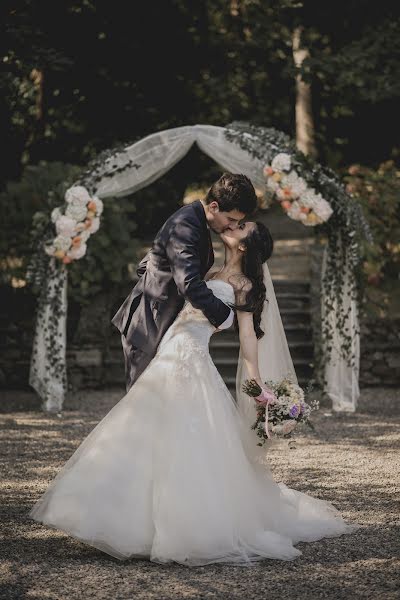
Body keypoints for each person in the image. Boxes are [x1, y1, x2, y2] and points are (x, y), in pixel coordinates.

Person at [28, 216, 357, 567]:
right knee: (145, 426)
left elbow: (248, 335)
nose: (233, 226)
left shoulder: (244, 284)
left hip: (191, 356)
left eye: (241, 227)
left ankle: (179, 526)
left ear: (245, 245)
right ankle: (121, 516)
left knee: (183, 436)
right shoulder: (212, 269)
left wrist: (257, 381)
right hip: (169, 346)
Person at [111, 172, 258, 392]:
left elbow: (147, 262)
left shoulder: (195, 220)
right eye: (231, 219)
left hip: (163, 321)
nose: (231, 226)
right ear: (215, 206)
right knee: (143, 401)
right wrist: (224, 316)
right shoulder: (187, 224)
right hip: (149, 324)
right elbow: (188, 283)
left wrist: (157, 273)